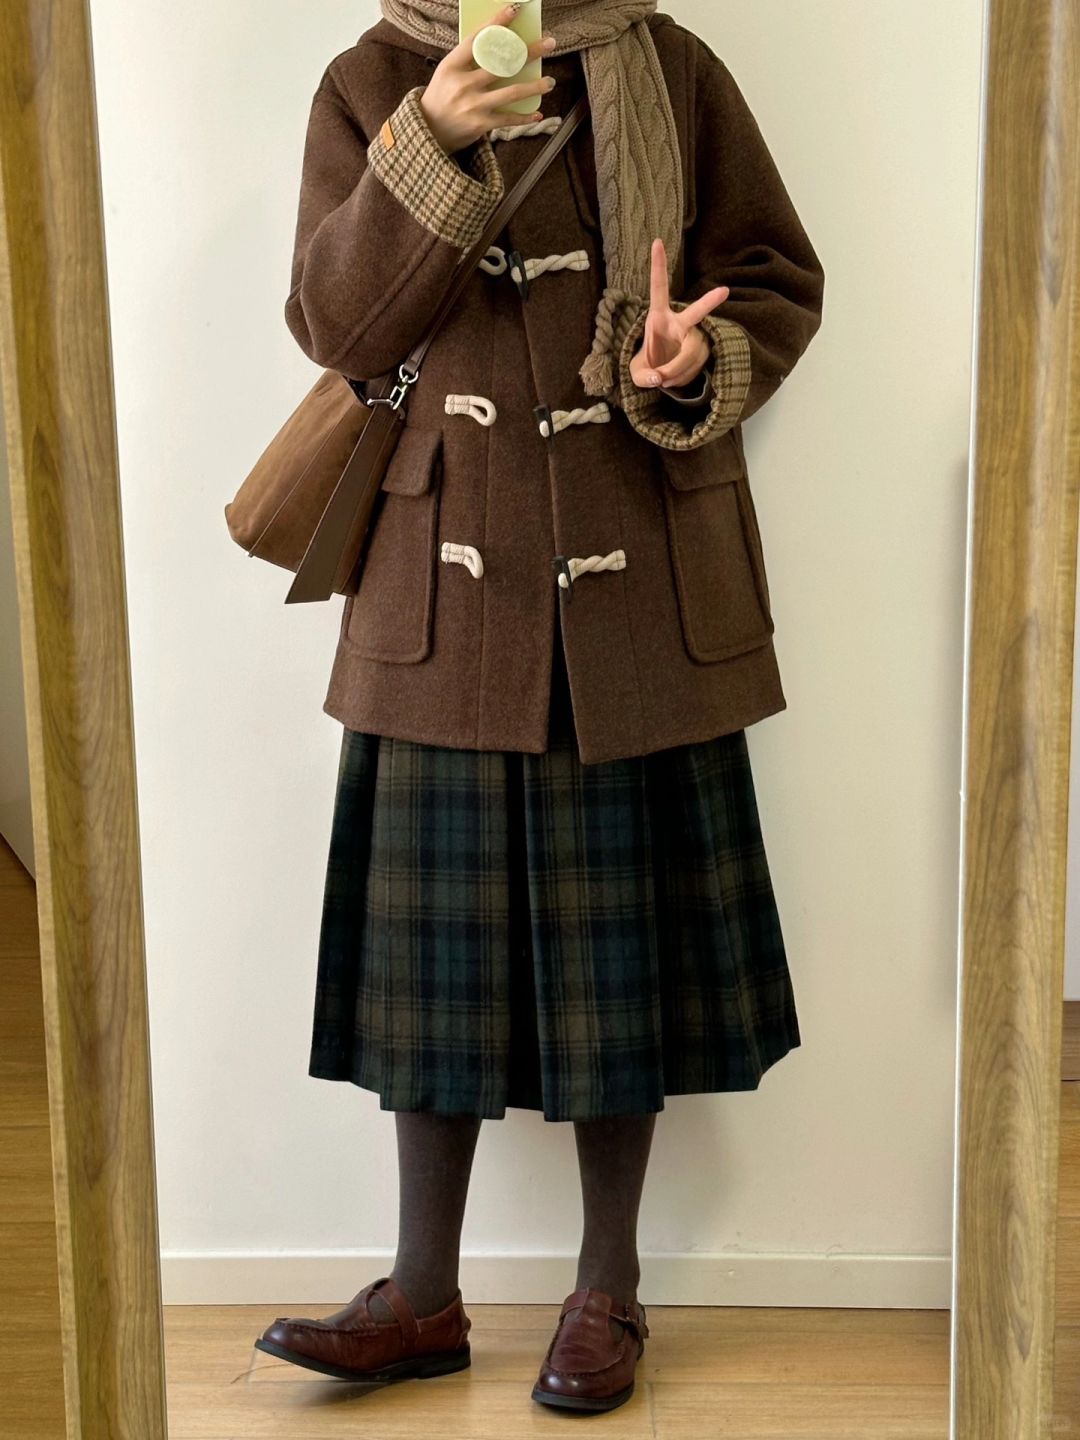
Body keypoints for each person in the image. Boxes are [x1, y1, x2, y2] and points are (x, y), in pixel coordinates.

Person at [254, 0, 824, 1414]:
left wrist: (697, 356)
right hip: (443, 587)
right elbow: (336, 324)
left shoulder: (669, 65)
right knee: (427, 972)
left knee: (620, 963)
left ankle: (608, 1288)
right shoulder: (373, 81)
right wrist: (429, 145)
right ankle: (420, 1294)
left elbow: (773, 275)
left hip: (638, 571)